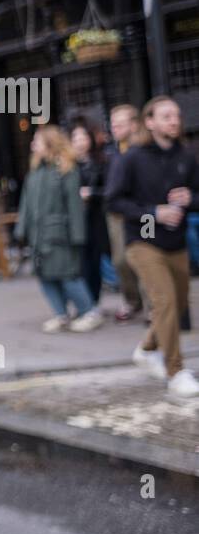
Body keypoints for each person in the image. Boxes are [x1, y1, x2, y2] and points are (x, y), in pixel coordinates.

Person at [107, 95, 199, 397]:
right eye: (166, 116)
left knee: (178, 302)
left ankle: (147, 349)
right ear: (150, 122)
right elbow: (114, 200)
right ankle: (176, 372)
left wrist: (190, 199)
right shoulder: (132, 157)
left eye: (176, 116)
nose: (174, 121)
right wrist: (153, 212)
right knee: (165, 301)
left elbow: (197, 194)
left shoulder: (186, 155)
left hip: (175, 241)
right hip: (143, 240)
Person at [15, 126, 103, 334]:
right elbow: (25, 205)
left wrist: (77, 236)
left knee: (68, 275)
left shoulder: (66, 170)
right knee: (45, 276)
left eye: (37, 141)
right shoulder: (34, 173)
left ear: (50, 144)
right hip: (38, 236)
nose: (33, 145)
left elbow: (74, 206)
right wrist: (21, 231)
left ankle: (89, 312)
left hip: (60, 235)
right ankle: (60, 314)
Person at [104, 104, 146, 321]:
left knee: (147, 258)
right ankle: (133, 301)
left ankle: (152, 307)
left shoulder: (143, 150)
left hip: (144, 214)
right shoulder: (113, 153)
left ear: (134, 124)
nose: (115, 128)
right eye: (113, 124)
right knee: (121, 260)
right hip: (118, 216)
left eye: (120, 123)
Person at [71, 119, 110, 306]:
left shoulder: (102, 161)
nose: (80, 141)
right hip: (75, 219)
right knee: (81, 263)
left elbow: (111, 190)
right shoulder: (67, 166)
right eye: (75, 137)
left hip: (97, 217)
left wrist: (91, 193)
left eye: (83, 136)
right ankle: (86, 303)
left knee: (95, 260)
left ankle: (93, 301)